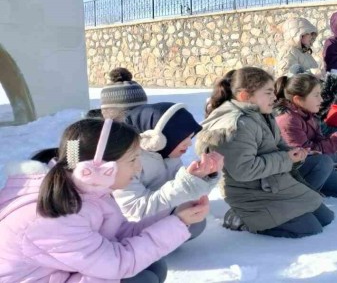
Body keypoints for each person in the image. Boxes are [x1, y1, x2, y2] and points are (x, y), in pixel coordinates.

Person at [0, 118, 208, 283]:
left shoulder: (87, 190)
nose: (139, 168)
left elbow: (118, 232)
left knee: (152, 267)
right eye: (133, 160)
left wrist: (176, 216)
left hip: (56, 273)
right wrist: (179, 223)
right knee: (139, 276)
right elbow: (117, 263)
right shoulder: (53, 216)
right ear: (98, 167)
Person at [196, 67, 333, 239]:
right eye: (268, 92)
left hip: (272, 183)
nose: (274, 97)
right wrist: (285, 158)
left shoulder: (262, 115)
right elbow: (243, 170)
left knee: (326, 218)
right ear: (245, 96)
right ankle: (240, 218)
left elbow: (278, 145)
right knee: (310, 228)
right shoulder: (236, 125)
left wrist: (293, 154)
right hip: (250, 194)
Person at [116, 103, 222, 241]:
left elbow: (185, 196)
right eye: (182, 137)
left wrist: (205, 176)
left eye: (191, 137)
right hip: (129, 232)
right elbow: (134, 211)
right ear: (159, 138)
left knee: (195, 219)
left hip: (157, 223)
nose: (189, 144)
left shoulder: (170, 157)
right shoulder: (128, 162)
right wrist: (184, 186)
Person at [274, 74, 337, 198]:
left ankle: (312, 187)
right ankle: (302, 199)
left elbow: (319, 140)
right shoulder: (287, 120)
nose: (321, 100)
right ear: (298, 99)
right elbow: (302, 153)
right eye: (316, 95)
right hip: (289, 172)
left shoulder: (308, 114)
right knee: (324, 162)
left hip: (308, 165)